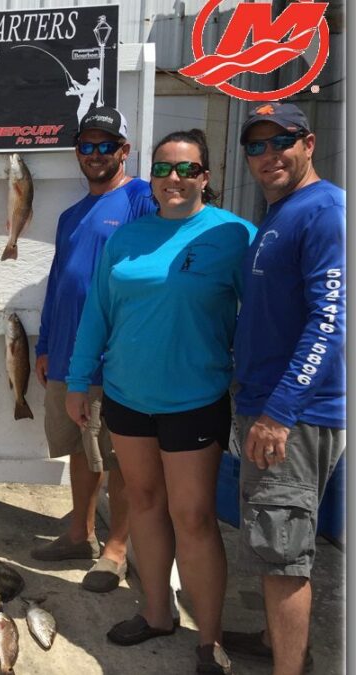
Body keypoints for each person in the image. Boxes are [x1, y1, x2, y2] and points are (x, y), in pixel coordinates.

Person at [65, 129, 256, 674]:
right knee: (144, 503)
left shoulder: (235, 235)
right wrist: (81, 381)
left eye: (187, 169)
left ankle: (209, 638)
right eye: (164, 168)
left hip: (195, 398)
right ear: (151, 174)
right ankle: (155, 613)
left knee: (192, 516)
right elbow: (98, 313)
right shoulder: (128, 237)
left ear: (206, 176)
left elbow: (265, 317)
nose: (175, 179)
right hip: (127, 396)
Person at [223, 102, 345, 675]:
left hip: (292, 416)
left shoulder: (325, 211)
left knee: (284, 551)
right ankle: (279, 644)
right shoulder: (281, 213)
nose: (269, 155)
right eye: (256, 146)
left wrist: (279, 412)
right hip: (266, 405)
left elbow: (331, 320)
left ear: (309, 143)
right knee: (273, 544)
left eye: (282, 142)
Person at [31, 107, 154, 594]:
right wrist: (44, 344)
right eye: (87, 146)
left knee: (120, 456)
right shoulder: (70, 215)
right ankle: (79, 533)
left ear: (124, 150)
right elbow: (60, 283)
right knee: (81, 452)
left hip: (111, 355)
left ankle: (117, 549)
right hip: (66, 356)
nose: (96, 154)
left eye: (107, 146)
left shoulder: (142, 198)